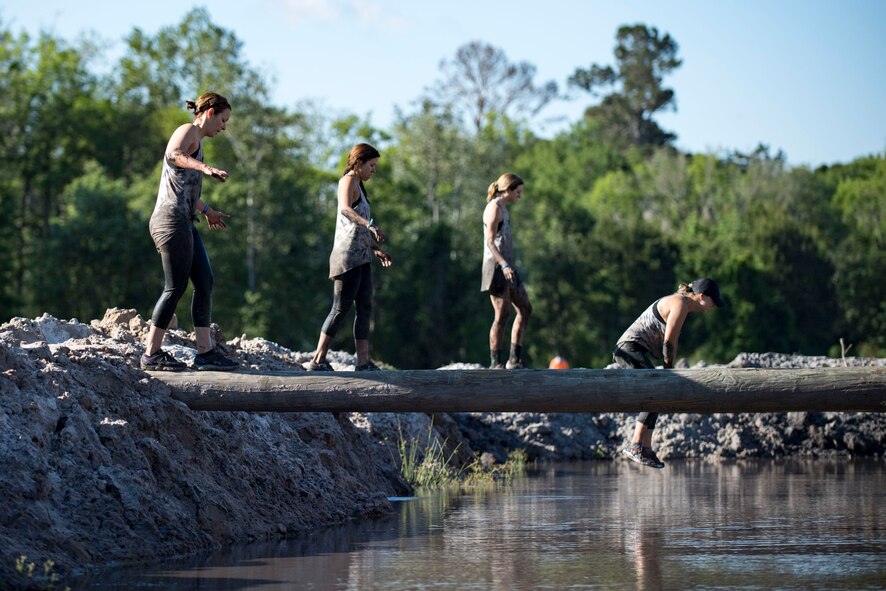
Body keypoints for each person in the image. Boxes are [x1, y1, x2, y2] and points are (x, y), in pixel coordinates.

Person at [140, 92, 239, 372]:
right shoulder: (187, 131)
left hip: (184, 219)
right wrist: (205, 167)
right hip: (170, 221)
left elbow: (183, 188)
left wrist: (207, 210)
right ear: (209, 113)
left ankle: (206, 353)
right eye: (223, 120)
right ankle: (151, 354)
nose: (224, 126)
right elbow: (174, 155)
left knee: (204, 280)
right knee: (176, 286)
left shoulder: (198, 141)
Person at [613, 278, 726, 468]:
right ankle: (635, 445)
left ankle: (646, 448)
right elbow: (668, 343)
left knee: (659, 393)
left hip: (634, 349)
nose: (714, 305)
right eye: (713, 300)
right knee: (656, 390)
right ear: (701, 296)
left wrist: (668, 371)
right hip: (628, 349)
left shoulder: (682, 304)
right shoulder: (679, 303)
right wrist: (668, 371)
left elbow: (673, 340)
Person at [307, 143, 392, 372]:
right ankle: (317, 360)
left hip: (362, 256)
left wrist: (376, 249)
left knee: (364, 307)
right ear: (359, 163)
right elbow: (345, 209)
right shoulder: (348, 181)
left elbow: (358, 230)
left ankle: (363, 362)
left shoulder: (361, 186)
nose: (374, 170)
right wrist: (370, 224)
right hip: (347, 257)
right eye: (371, 165)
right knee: (340, 308)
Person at [481, 173, 532, 369]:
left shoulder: (504, 208)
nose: (519, 196)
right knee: (502, 314)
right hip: (496, 268)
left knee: (525, 308)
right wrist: (503, 264)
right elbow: (490, 241)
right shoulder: (494, 209)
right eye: (517, 192)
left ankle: (514, 359)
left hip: (507, 266)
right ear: (508, 190)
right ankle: (495, 363)